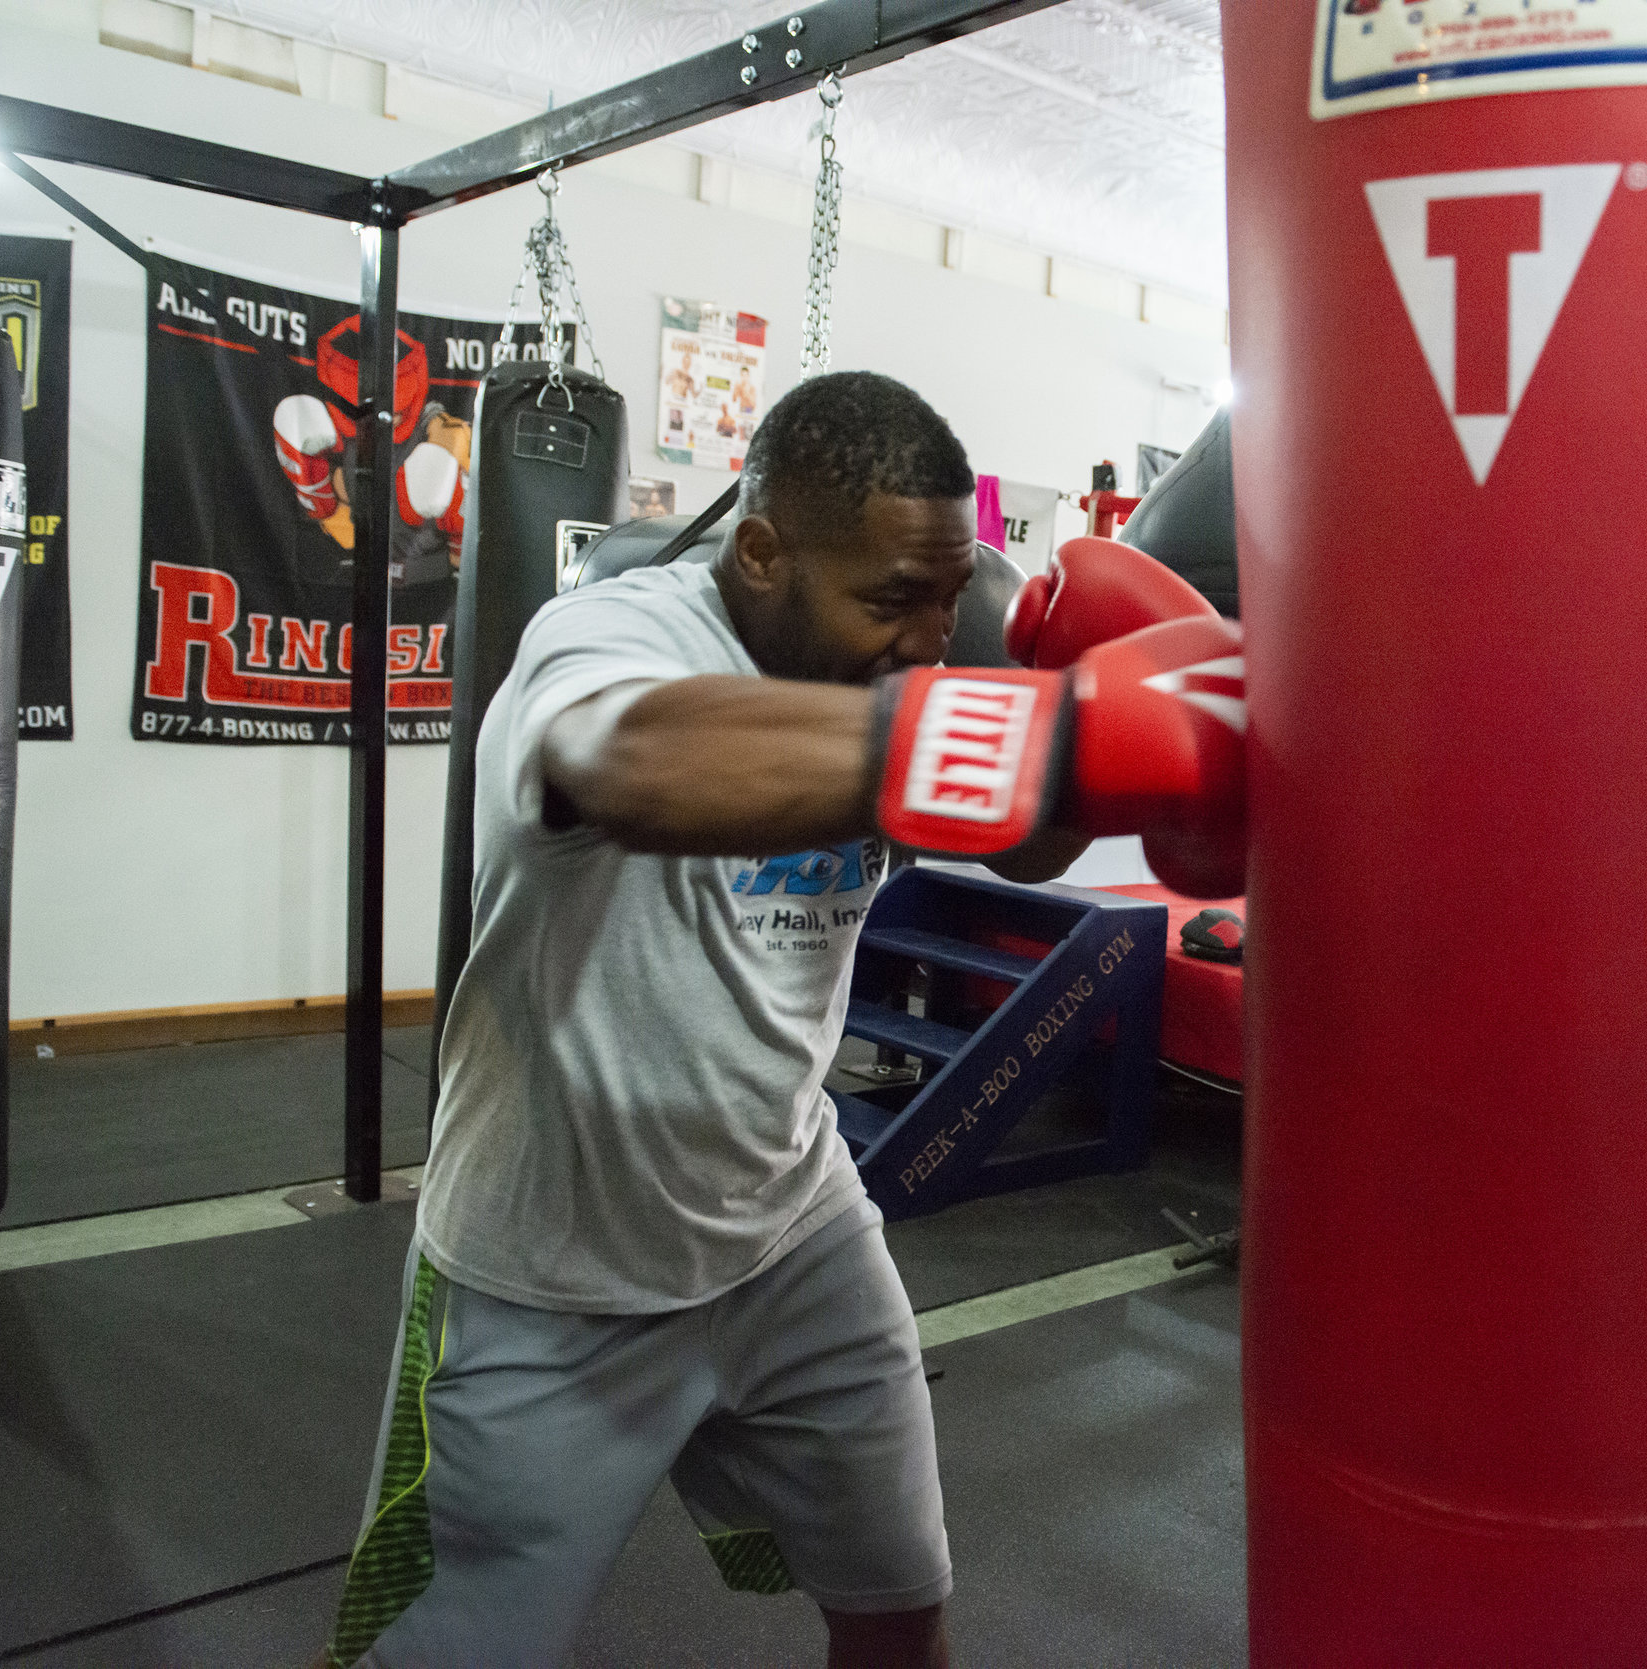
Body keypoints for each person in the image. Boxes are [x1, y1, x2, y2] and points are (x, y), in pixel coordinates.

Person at [317, 369, 1241, 1669]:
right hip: (550, 1258)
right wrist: (1042, 744)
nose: (925, 641)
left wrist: (1099, 727)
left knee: (901, 1592)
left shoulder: (914, 639)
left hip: (792, 1231)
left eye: (941, 600)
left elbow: (1024, 843)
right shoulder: (609, 640)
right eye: (887, 604)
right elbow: (627, 762)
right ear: (760, 553)